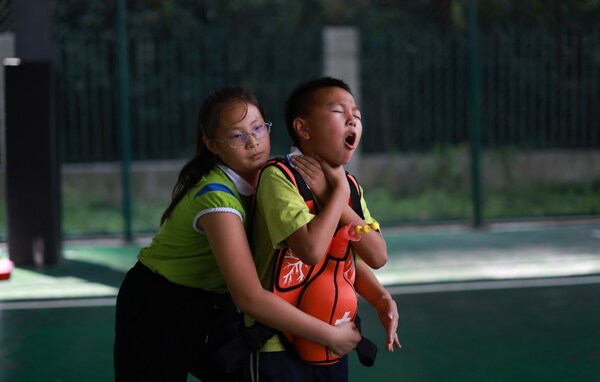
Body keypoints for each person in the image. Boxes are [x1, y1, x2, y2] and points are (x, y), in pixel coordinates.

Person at [113, 86, 361, 382]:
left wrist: (380, 295)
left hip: (218, 305)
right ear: (211, 144)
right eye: (236, 135)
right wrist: (329, 335)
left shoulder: (278, 178)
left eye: (258, 128)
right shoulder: (216, 199)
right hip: (159, 307)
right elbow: (250, 297)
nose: (253, 141)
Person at [246, 77, 401, 381]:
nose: (351, 119)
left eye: (356, 114)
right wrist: (339, 195)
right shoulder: (279, 177)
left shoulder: (349, 187)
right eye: (338, 111)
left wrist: (382, 299)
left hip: (334, 336)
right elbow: (312, 251)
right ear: (303, 128)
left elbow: (377, 256)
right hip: (275, 343)